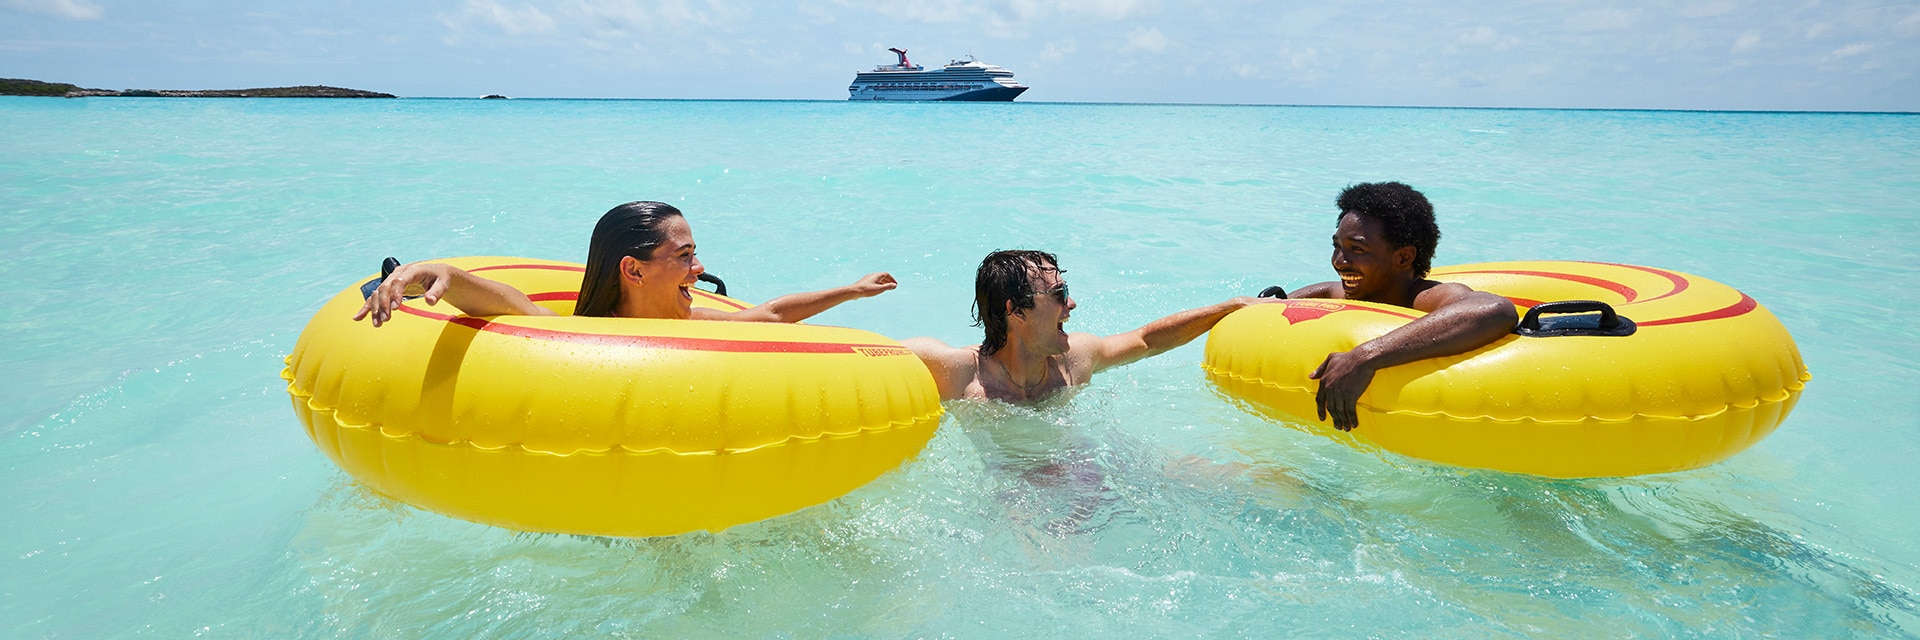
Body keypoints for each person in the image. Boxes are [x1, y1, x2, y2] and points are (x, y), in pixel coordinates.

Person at [354, 201, 896, 325]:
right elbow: (506, 303)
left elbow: (772, 314)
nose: (698, 267)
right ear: (632, 270)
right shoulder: (587, 336)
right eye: (684, 255)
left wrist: (850, 290)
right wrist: (435, 272)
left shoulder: (693, 324)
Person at [1278, 182, 1517, 432]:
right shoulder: (1358, 292)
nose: (1339, 261)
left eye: (1357, 249)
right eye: (1337, 246)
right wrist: (1263, 305)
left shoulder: (1422, 297)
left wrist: (1363, 358)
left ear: (1403, 257)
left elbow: (1495, 310)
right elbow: (1327, 290)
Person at [904, 250, 1273, 403]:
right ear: (1015, 310)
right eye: (1059, 294)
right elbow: (864, 355)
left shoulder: (1074, 361)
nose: (1072, 304)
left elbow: (1147, 340)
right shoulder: (960, 373)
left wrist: (1230, 306)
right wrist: (850, 294)